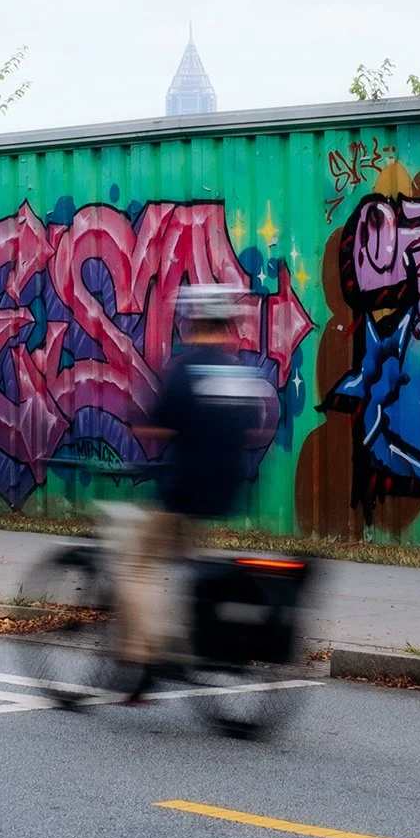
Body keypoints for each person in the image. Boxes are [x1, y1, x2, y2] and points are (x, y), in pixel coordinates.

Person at [115, 284, 276, 702]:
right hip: (224, 493)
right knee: (184, 567)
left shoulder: (184, 370)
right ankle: (179, 643)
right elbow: (255, 429)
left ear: (191, 325)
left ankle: (143, 655)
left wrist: (138, 424)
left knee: (135, 566)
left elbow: (159, 426)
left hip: (183, 494)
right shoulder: (239, 372)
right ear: (227, 326)